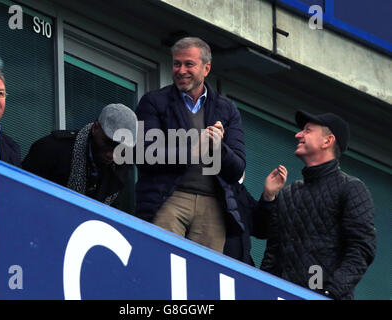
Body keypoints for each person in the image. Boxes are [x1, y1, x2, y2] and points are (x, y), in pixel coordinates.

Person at [135, 37, 246, 253]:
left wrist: (218, 147)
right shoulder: (154, 101)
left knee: (203, 279)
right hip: (169, 198)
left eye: (189, 64)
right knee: (161, 261)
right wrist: (192, 150)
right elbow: (144, 154)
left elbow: (237, 169)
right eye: (177, 63)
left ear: (206, 68)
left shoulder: (228, 110)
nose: (181, 70)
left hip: (213, 205)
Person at [258, 110, 376, 300]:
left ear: (327, 141)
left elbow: (361, 249)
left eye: (307, 130)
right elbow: (273, 252)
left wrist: (329, 294)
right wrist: (269, 198)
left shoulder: (351, 188)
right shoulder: (289, 193)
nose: (298, 134)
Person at [22, 103, 137, 210]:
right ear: (95, 128)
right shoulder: (52, 149)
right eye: (108, 143)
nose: (111, 154)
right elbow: (24, 194)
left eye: (120, 148)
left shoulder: (121, 167)